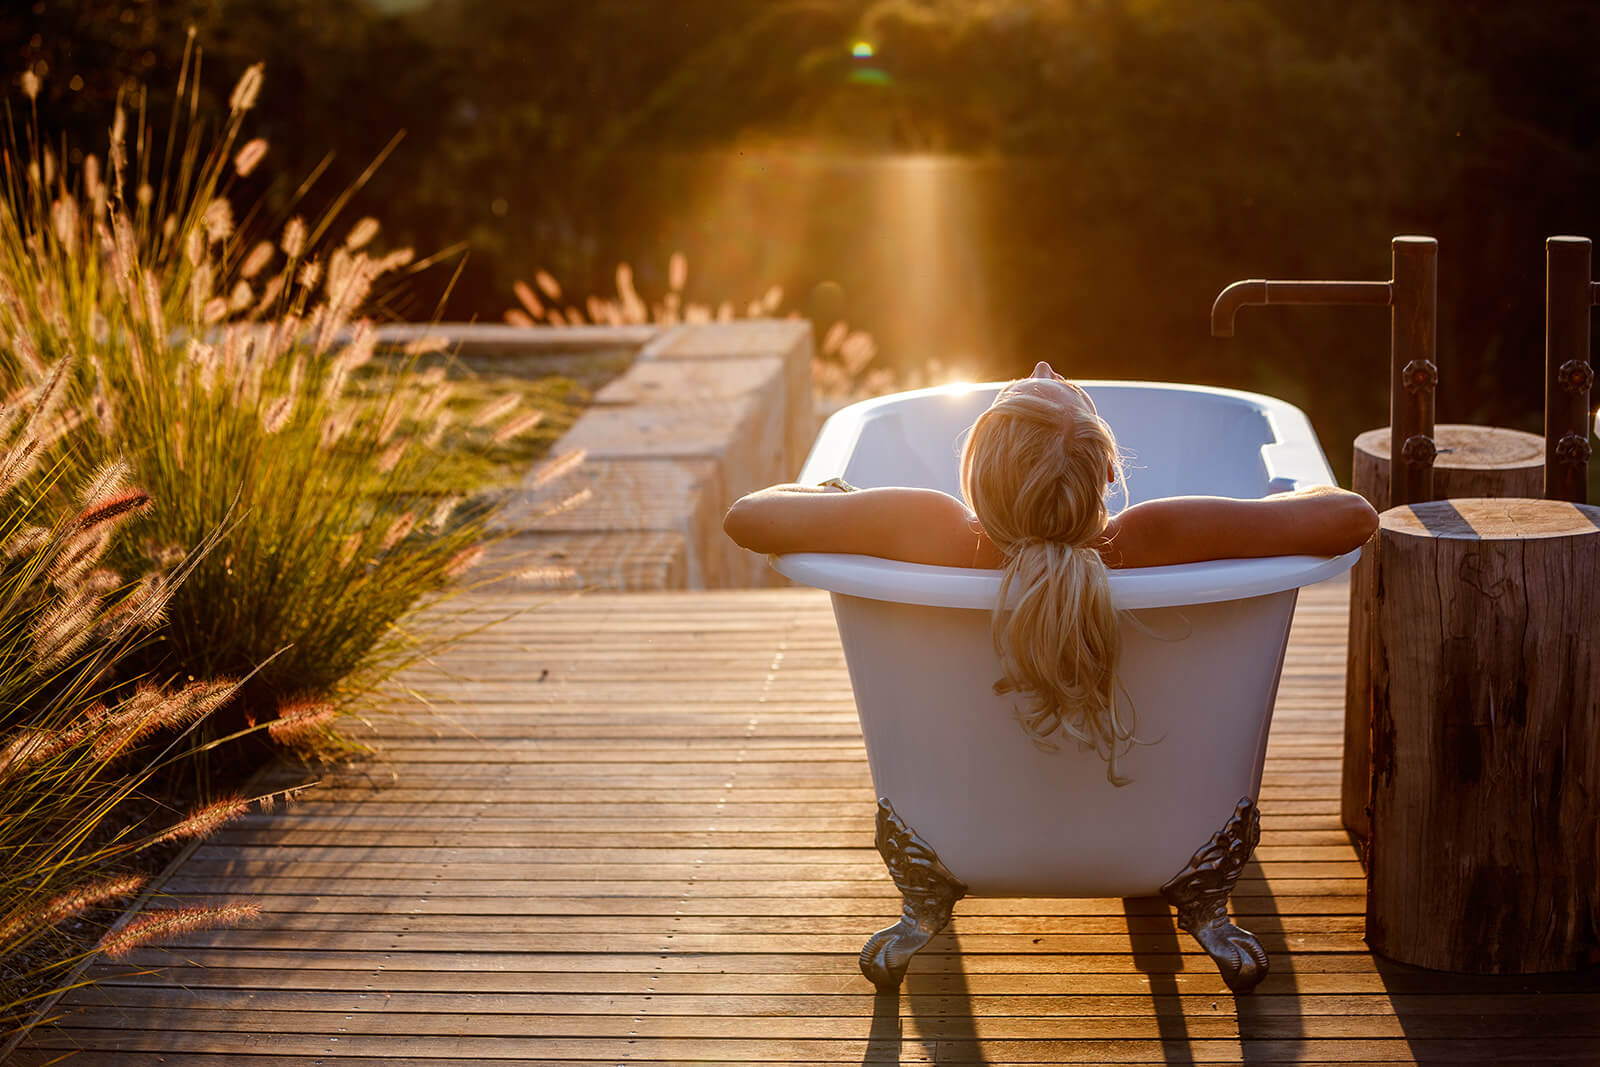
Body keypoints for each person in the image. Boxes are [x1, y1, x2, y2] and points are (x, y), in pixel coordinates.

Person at [722, 361, 1378, 781]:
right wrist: (1278, 503)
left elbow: (749, 516)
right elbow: (1351, 516)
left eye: (1043, 383)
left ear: (979, 475)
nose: (1043, 363)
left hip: (969, 797)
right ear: (1109, 474)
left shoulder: (940, 531)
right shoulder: (1148, 537)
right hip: (1157, 803)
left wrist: (840, 498)